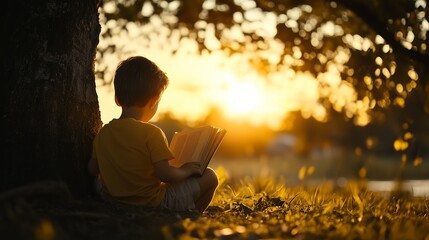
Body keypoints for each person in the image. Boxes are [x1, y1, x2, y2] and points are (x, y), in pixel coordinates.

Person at [87, 56, 218, 213]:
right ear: (154, 101)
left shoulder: (104, 133)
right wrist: (187, 170)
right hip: (153, 203)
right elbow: (165, 175)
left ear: (117, 100)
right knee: (210, 176)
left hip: (113, 200)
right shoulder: (152, 133)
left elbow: (92, 170)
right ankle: (191, 214)